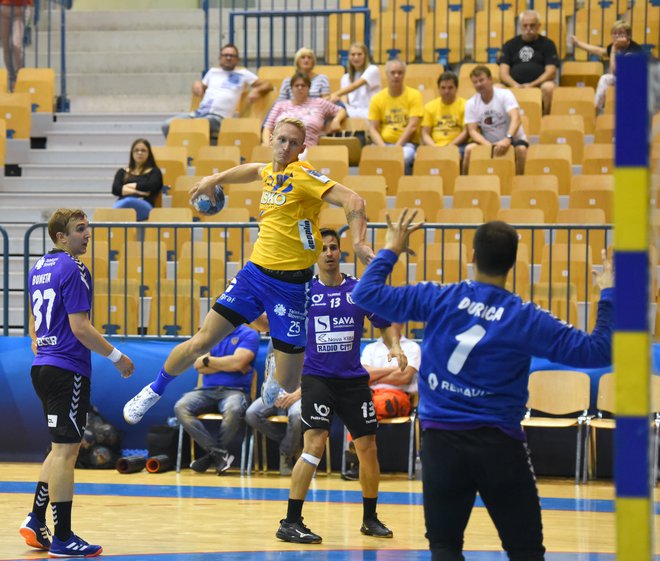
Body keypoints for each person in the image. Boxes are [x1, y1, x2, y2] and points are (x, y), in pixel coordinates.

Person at [352, 211, 614, 561]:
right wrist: (610, 292)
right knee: (525, 551)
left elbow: (366, 294)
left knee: (445, 548)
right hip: (499, 446)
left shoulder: (440, 297)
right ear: (513, 263)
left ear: (472, 256)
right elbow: (598, 350)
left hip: (441, 444)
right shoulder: (525, 317)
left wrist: (391, 248)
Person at [123, 117, 374, 426]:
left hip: (293, 288)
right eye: (281, 139)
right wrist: (215, 178)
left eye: (293, 142)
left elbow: (354, 198)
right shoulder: (269, 173)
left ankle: (274, 379)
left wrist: (359, 241)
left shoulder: (304, 175)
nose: (285, 147)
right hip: (254, 277)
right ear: (272, 140)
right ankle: (153, 389)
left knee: (290, 381)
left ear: (302, 148)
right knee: (201, 341)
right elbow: (253, 169)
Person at [275, 227, 405, 544]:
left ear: (340, 252)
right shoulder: (305, 293)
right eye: (324, 248)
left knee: (368, 448)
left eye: (334, 247)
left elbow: (385, 323)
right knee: (315, 445)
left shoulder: (358, 290)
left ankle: (370, 518)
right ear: (316, 255)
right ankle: (290, 522)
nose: (330, 253)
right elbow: (275, 320)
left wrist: (395, 346)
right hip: (318, 379)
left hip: (352, 381)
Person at [20, 208, 134, 557]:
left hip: (42, 367)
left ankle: (36, 519)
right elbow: (80, 328)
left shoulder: (38, 267)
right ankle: (63, 537)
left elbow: (33, 328)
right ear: (60, 237)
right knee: (68, 452)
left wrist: (43, 343)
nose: (87, 234)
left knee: (58, 450)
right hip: (67, 369)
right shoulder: (74, 267)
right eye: (79, 229)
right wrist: (118, 358)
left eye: (87, 228)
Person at [175, 323, 259, 474]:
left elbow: (239, 362)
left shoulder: (249, 334)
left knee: (233, 408)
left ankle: (213, 455)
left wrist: (208, 361)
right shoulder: (209, 333)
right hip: (206, 391)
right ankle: (219, 454)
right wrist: (230, 363)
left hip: (236, 391)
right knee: (181, 407)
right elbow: (197, 365)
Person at [343, 322, 421, 480]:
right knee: (356, 404)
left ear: (403, 323)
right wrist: (394, 369)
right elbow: (365, 376)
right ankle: (361, 457)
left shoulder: (412, 347)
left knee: (372, 406)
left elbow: (404, 377)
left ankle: (357, 456)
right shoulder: (371, 348)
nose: (391, 323)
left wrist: (376, 375)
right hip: (372, 392)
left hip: (400, 395)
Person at [162, 43, 273, 138]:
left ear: (237, 59)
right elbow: (200, 87)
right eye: (225, 55)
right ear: (220, 58)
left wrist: (258, 90)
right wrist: (196, 84)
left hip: (219, 118)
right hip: (199, 114)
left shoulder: (243, 74)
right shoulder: (212, 72)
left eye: (232, 56)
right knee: (167, 125)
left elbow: (268, 85)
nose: (228, 58)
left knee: (201, 124)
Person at [245, 341, 302, 476]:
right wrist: (273, 393)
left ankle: (286, 453)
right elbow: (270, 371)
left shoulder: (313, 337)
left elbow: (316, 374)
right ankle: (291, 442)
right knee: (251, 414)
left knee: (297, 415)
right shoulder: (275, 338)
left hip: (301, 393)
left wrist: (295, 395)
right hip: (279, 391)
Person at [463, 65, 528, 175]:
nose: (478, 84)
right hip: (488, 142)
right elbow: (472, 130)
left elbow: (516, 118)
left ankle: (519, 182)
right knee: (469, 149)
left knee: (521, 150)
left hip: (513, 139)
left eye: (481, 80)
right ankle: (465, 182)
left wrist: (508, 139)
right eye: (475, 82)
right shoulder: (471, 103)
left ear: (490, 79)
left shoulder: (505, 94)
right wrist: (486, 144)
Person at [569, 20, 642, 110]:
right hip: (622, 79)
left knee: (605, 79)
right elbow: (600, 51)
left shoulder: (634, 51)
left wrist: (614, 50)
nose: (617, 36)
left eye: (621, 33)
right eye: (615, 33)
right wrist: (578, 44)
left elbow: (614, 72)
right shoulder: (616, 45)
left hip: (636, 83)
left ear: (628, 36)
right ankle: (596, 109)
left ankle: (596, 109)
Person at [368, 58, 424, 174]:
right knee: (368, 157)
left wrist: (396, 148)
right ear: (386, 75)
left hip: (406, 145)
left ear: (404, 74)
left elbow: (413, 126)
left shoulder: (414, 95)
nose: (396, 76)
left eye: (400, 72)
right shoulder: (377, 98)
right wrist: (383, 147)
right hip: (382, 144)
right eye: (393, 73)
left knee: (404, 157)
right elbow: (373, 128)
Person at [262, 72, 346, 148]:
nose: (300, 88)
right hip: (280, 149)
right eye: (296, 85)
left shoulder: (319, 103)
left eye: (303, 85)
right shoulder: (280, 105)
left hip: (307, 151)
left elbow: (341, 110)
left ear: (309, 88)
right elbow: (267, 127)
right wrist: (266, 143)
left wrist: (336, 120)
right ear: (291, 88)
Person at [499, 10, 560, 115]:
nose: (528, 29)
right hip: (514, 85)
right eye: (525, 25)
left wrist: (532, 85)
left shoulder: (548, 44)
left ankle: (545, 118)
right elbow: (503, 73)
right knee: (497, 88)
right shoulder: (510, 44)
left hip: (539, 85)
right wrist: (515, 85)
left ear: (538, 26)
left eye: (532, 25)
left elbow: (551, 72)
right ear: (520, 26)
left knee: (549, 87)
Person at [111, 138, 163, 221]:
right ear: (132, 153)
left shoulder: (155, 172)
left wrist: (128, 186)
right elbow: (116, 189)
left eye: (143, 150)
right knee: (125, 203)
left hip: (145, 204)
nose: (140, 153)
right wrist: (138, 191)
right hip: (122, 203)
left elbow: (152, 186)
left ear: (149, 153)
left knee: (128, 201)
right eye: (136, 150)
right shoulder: (122, 172)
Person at [327, 42, 381, 119]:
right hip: (352, 112)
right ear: (349, 57)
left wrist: (334, 94)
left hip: (370, 111)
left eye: (359, 54)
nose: (356, 57)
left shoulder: (373, 69)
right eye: (353, 54)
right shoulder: (345, 77)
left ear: (365, 56)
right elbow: (344, 99)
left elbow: (354, 86)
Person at [421, 71, 469, 149]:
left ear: (456, 89)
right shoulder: (429, 106)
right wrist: (434, 147)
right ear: (438, 89)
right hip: (434, 146)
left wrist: (450, 146)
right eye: (443, 88)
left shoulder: (465, 105)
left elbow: (466, 132)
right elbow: (425, 134)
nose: (446, 91)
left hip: (457, 146)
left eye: (450, 88)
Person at [1, 0, 31, 90]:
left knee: (16, 44)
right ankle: (11, 78)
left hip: (20, 8)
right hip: (3, 8)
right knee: (6, 46)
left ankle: (19, 75)